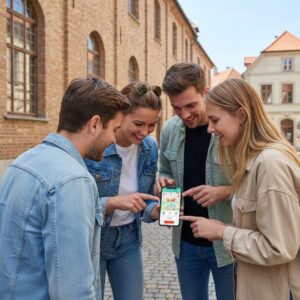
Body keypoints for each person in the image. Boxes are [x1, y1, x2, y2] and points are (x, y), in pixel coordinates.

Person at [0, 76, 130, 300]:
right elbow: (72, 290)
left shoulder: (22, 162)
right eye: (114, 129)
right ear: (95, 123)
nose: (114, 139)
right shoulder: (72, 181)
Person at [181, 78, 300, 300]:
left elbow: (279, 247)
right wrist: (225, 226)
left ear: (242, 115)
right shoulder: (254, 161)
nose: (210, 129)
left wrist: (222, 232)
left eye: (215, 120)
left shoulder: (269, 164)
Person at [156, 63, 234, 300]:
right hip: (185, 245)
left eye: (190, 105)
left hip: (227, 246)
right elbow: (163, 169)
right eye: (177, 108)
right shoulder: (170, 129)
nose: (185, 114)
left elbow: (253, 182)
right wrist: (161, 181)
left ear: (206, 92)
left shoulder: (228, 129)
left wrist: (225, 191)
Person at [85, 81, 161, 300]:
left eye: (152, 125)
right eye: (138, 123)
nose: (145, 132)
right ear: (120, 116)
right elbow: (78, 204)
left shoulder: (150, 148)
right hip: (94, 238)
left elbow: (144, 200)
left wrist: (155, 210)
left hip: (128, 239)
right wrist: (114, 202)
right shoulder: (95, 145)